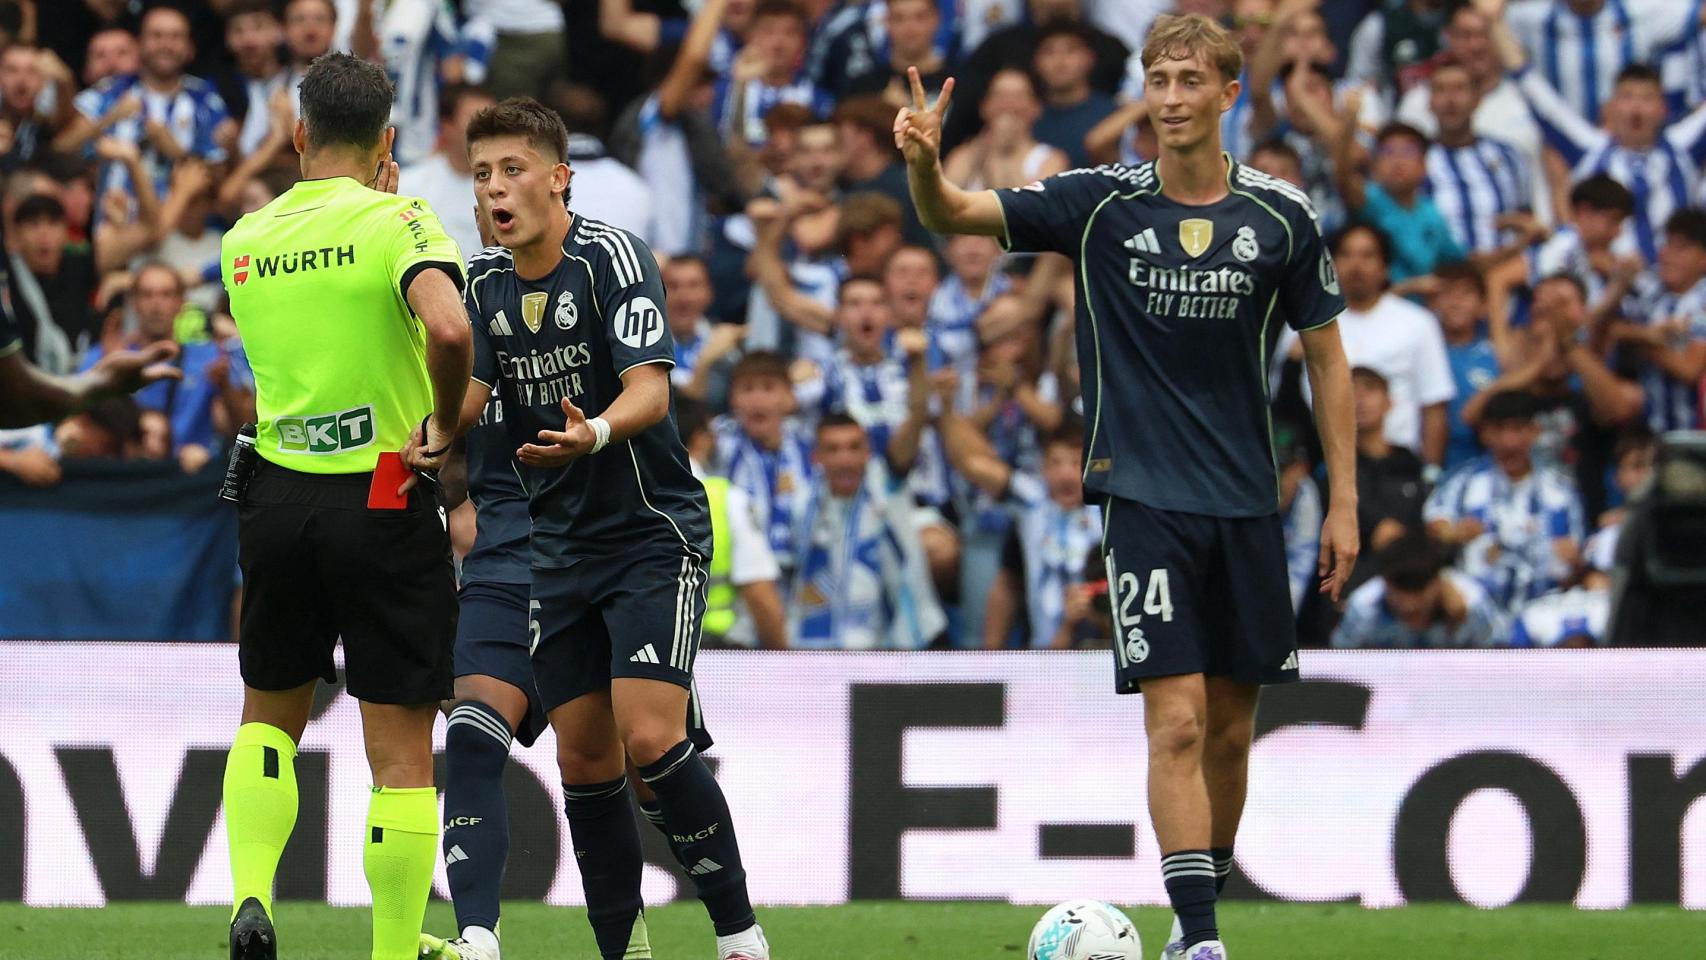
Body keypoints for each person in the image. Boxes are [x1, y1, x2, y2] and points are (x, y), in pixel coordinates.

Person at [898, 13, 1359, 957]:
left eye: (1192, 81)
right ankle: (1199, 940)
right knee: (1179, 720)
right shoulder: (1099, 201)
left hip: (1246, 501)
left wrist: (1345, 500)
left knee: (1232, 729)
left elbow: (1327, 358)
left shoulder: (1281, 217)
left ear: (1230, 94)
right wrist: (921, 161)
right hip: (1142, 496)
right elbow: (951, 212)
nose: (1172, 98)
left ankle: (1204, 909)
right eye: (1158, 80)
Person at [440, 97, 768, 960]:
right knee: (583, 761)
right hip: (556, 552)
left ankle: (742, 939)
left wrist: (592, 431)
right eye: (482, 174)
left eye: (513, 169)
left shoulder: (612, 257)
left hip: (649, 535)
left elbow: (653, 389)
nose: (497, 189)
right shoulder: (484, 283)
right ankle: (625, 951)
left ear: (559, 178)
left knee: (651, 738)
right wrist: (431, 434)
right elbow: (473, 398)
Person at [217, 52, 472, 960]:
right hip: (382, 491)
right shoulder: (398, 217)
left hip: (276, 495)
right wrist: (443, 424)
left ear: (297, 135)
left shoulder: (244, 238)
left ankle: (253, 898)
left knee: (267, 717)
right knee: (399, 749)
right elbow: (446, 325)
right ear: (387, 143)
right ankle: (393, 949)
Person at [1487, 0, 1706, 265]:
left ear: (1663, 107)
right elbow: (1531, 87)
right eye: (1627, 97)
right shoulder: (1588, 146)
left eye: (1647, 98)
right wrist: (1493, 23)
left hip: (1675, 287)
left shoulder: (1684, 145)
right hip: (1604, 284)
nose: (1636, 109)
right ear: (1610, 107)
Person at [791, 411, 945, 648]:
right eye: (833, 449)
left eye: (854, 447)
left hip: (904, 644)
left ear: (868, 451)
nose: (845, 459)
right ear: (816, 457)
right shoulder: (802, 506)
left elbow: (915, 419)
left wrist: (919, 387)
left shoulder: (888, 487)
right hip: (823, 648)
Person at [1425, 389, 1586, 612]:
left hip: (1544, 606)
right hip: (1477, 608)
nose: (1509, 441)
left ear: (1534, 431)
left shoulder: (1560, 489)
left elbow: (1575, 551)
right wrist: (1453, 533)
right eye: (1499, 429)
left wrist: (1575, 559)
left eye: (1518, 429)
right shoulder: (1463, 482)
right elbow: (1433, 524)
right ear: (1484, 434)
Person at [1333, 532, 1506, 648]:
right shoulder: (1364, 606)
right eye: (1400, 591)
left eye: (1419, 591)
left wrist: (1461, 626)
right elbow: (1340, 665)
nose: (1409, 605)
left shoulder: (1472, 603)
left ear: (1437, 580)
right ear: (1385, 581)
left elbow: (1502, 661)